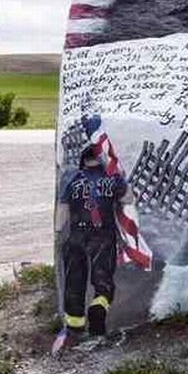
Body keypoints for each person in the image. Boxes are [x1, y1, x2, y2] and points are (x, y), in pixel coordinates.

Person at [57, 145, 131, 339]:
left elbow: (62, 211)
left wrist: (58, 233)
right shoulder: (112, 178)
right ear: (103, 160)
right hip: (102, 236)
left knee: (74, 280)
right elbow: (129, 199)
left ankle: (74, 327)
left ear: (83, 160)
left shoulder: (71, 178)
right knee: (103, 279)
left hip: (76, 236)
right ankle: (99, 308)